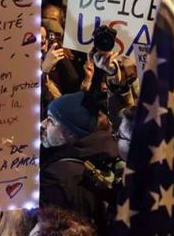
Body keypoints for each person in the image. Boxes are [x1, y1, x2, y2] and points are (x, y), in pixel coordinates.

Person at [39, 92, 118, 228]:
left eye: (51, 120)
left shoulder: (55, 176)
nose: (42, 124)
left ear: (71, 132)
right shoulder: (104, 157)